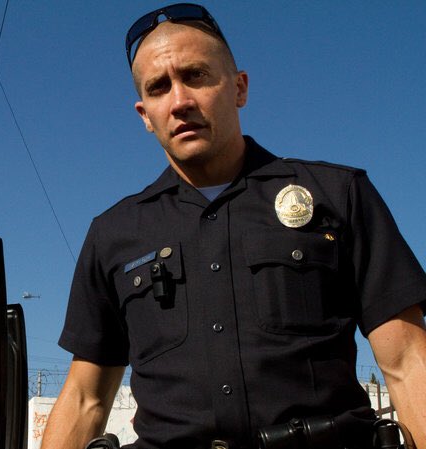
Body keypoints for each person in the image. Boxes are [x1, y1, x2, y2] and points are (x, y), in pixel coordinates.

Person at [41, 4, 426, 449]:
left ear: (239, 87)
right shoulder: (113, 234)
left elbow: (407, 361)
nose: (180, 101)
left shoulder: (338, 196)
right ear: (145, 115)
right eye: (159, 87)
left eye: (196, 75)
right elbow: (85, 399)